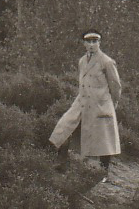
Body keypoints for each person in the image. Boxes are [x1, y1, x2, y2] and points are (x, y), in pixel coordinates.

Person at [49, 30, 123, 183]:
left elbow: (116, 86)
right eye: (88, 41)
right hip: (81, 102)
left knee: (104, 139)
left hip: (100, 104)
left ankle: (103, 172)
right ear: (84, 43)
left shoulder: (107, 62)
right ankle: (61, 164)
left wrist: (111, 104)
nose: (91, 45)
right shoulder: (82, 61)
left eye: (95, 41)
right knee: (63, 127)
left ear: (99, 43)